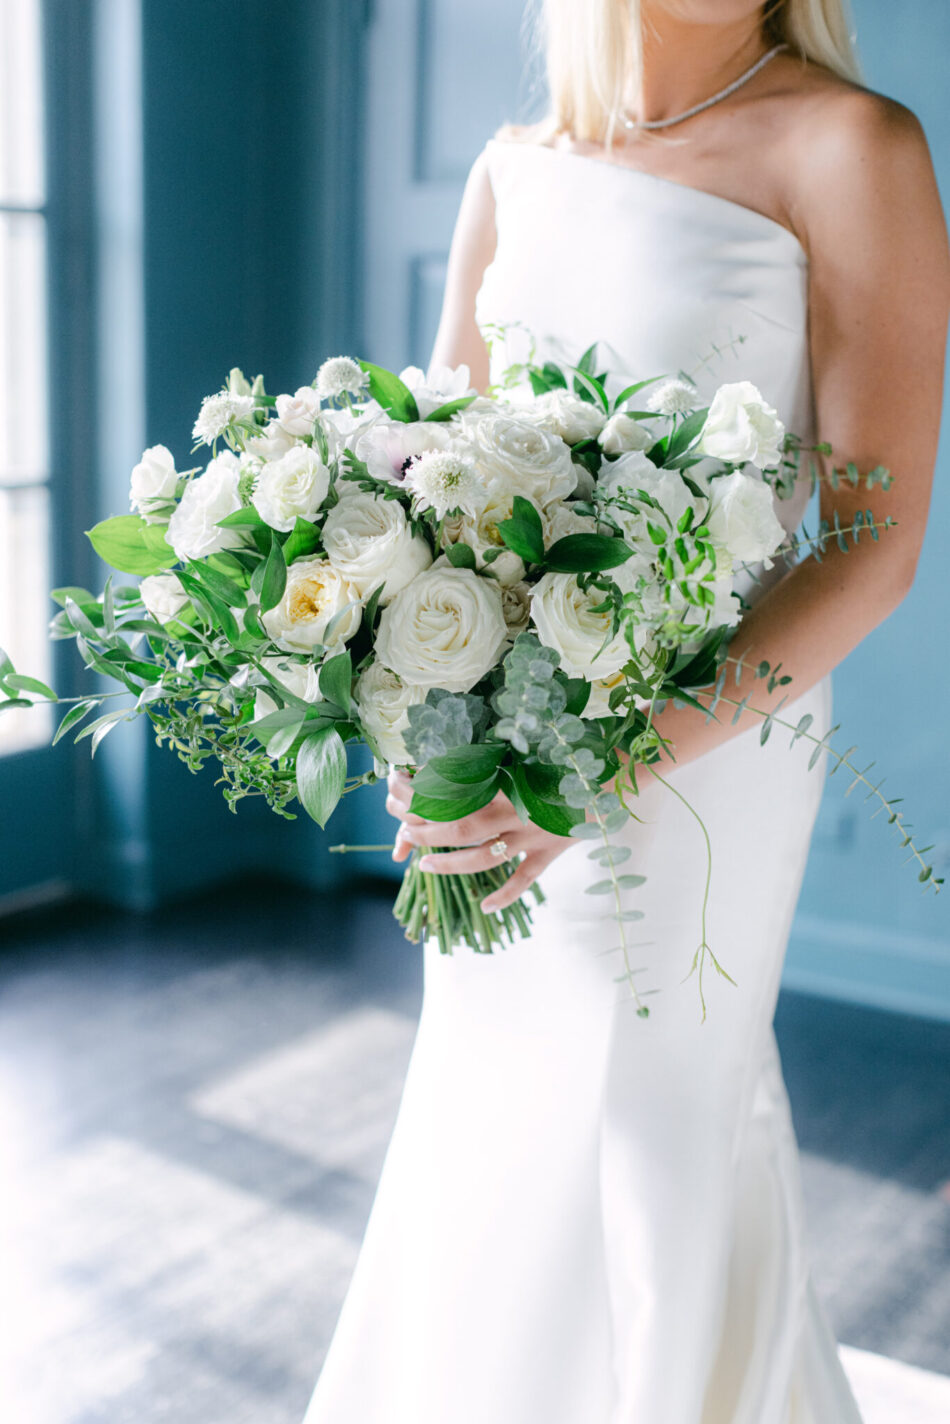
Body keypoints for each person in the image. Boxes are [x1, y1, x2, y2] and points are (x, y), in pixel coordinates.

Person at [303, 3, 949, 1420]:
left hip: (702, 756)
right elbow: (429, 498)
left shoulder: (851, 146)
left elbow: (868, 545)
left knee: (652, 1124)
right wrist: (431, 741)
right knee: (495, 1111)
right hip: (497, 753)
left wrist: (590, 772)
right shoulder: (510, 171)